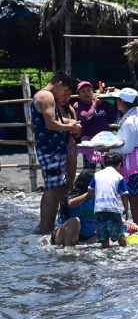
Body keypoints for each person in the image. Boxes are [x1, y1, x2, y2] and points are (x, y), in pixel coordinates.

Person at [31, 72, 82, 234]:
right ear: (58, 83)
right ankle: (45, 227)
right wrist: (71, 127)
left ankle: (48, 226)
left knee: (57, 188)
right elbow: (51, 124)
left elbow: (57, 119)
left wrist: (70, 122)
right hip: (50, 149)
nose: (66, 94)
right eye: (65, 90)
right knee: (52, 190)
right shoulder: (46, 96)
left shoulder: (48, 97)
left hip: (54, 149)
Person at [111, 88, 138, 225]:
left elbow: (127, 148)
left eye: (118, 100)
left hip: (134, 160)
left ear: (122, 102)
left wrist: (109, 147)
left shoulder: (130, 121)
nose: (116, 102)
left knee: (133, 196)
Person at [72, 153, 129, 249]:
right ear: (119, 164)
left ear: (104, 163)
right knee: (120, 235)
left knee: (104, 237)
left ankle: (104, 256)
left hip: (99, 209)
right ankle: (125, 252)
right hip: (113, 208)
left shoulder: (97, 175)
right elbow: (124, 195)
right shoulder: (119, 177)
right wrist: (126, 209)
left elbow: (90, 191)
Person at [73, 80, 118, 168]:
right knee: (89, 170)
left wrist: (111, 94)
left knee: (107, 168)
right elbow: (86, 117)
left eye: (89, 90)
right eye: (83, 91)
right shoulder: (78, 105)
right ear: (79, 95)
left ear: (93, 92)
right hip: (89, 142)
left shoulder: (102, 103)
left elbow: (113, 116)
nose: (86, 93)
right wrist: (94, 104)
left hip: (104, 141)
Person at [51, 170, 97, 247]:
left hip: (84, 238)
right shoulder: (71, 196)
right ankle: (68, 250)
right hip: (64, 235)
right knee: (75, 221)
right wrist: (88, 195)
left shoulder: (97, 199)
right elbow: (70, 204)